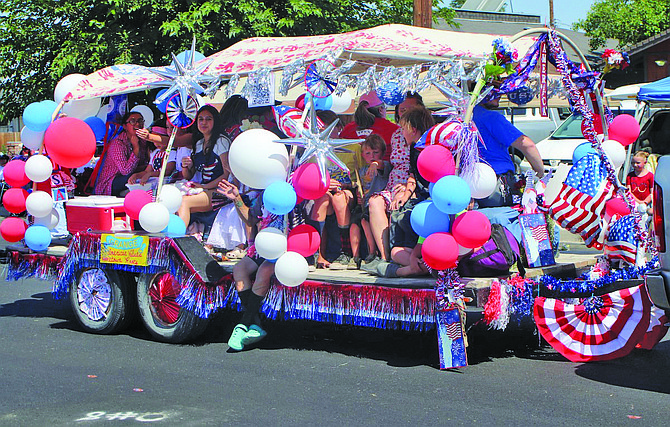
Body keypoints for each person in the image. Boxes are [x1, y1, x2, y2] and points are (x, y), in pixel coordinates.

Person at [364, 106, 435, 278]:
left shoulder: (428, 150)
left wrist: (408, 192)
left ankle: (409, 269)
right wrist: (405, 194)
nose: (401, 132)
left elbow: (423, 181)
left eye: (403, 128)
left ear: (413, 129)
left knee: (402, 246)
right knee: (396, 251)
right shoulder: (414, 149)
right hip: (414, 199)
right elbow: (413, 175)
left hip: (428, 205)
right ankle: (397, 263)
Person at [310, 109, 363, 270]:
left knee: (339, 199)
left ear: (337, 127)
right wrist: (324, 183)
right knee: (323, 200)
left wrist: (348, 185)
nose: (323, 133)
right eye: (319, 130)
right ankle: (314, 251)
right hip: (323, 191)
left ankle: (344, 251)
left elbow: (362, 177)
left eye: (327, 128)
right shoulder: (313, 152)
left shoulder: (353, 147)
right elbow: (310, 178)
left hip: (348, 191)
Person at [472, 93, 544, 207]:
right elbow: (527, 145)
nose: (500, 95)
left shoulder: (462, 117)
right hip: (496, 185)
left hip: (470, 184)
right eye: (495, 91)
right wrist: (540, 172)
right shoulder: (491, 117)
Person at [176, 105, 231, 226]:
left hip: (221, 192)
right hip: (203, 189)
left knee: (184, 202)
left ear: (215, 121)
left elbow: (226, 174)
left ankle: (178, 238)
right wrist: (185, 166)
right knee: (174, 200)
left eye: (208, 119)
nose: (204, 122)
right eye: (200, 119)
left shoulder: (221, 141)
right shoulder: (199, 144)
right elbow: (188, 176)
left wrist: (204, 186)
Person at [351, 134, 391, 267]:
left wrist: (375, 164)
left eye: (376, 152)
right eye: (368, 153)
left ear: (383, 153)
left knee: (364, 220)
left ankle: (372, 252)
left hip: (376, 204)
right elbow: (361, 187)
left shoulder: (383, 166)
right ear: (362, 155)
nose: (372, 156)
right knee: (354, 223)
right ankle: (355, 257)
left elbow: (380, 165)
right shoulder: (362, 170)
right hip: (364, 203)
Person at [94, 111, 149, 196]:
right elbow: (125, 171)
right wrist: (136, 148)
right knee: (135, 176)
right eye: (133, 121)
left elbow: (144, 164)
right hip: (111, 182)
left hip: (130, 175)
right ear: (125, 126)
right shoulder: (118, 143)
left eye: (140, 121)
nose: (137, 124)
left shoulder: (143, 140)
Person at [339, 90, 398, 161]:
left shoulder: (347, 129)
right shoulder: (394, 129)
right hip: (384, 170)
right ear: (380, 109)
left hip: (351, 170)